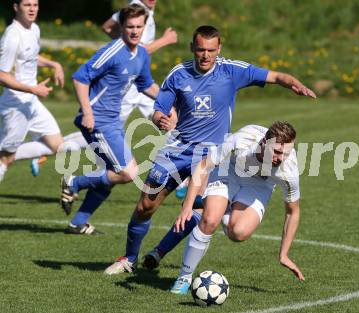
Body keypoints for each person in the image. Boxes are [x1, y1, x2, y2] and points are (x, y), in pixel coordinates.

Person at [104, 25, 315, 275]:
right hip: (178, 150)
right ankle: (130, 258)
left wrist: (294, 84)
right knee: (145, 206)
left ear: (219, 49)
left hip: (212, 155)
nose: (206, 55)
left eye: (211, 50)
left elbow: (275, 76)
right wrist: (160, 119)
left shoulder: (231, 71)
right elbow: (159, 108)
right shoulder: (179, 74)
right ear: (192, 48)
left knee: (202, 212)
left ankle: (162, 254)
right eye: (201, 50)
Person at [59, 4, 160, 234]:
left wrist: (170, 100)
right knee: (127, 172)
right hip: (98, 120)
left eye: (139, 27)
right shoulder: (113, 51)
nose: (135, 31)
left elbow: (146, 85)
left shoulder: (141, 54)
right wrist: (87, 112)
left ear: (145, 27)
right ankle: (73, 182)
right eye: (130, 27)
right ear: (122, 27)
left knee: (111, 174)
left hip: (113, 120)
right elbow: (80, 78)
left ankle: (78, 222)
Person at [170, 121, 305, 294]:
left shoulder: (288, 171)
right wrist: (187, 206)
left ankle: (221, 207)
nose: (281, 158)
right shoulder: (240, 141)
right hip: (230, 170)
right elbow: (203, 166)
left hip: (260, 184)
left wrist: (284, 254)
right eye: (277, 152)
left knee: (238, 233)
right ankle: (184, 277)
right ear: (264, 142)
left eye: (286, 153)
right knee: (210, 220)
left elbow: (292, 212)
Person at [0, 0, 67, 183]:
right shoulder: (12, 36)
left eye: (35, 5)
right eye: (27, 5)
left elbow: (31, 56)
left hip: (31, 102)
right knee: (5, 159)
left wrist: (54, 63)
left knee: (57, 145)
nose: (32, 9)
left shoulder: (34, 29)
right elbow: (2, 76)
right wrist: (32, 88)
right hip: (15, 105)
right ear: (16, 7)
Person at [102, 0, 178, 123]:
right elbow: (138, 51)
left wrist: (123, 44)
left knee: (169, 117)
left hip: (141, 81)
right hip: (128, 84)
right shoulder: (138, 14)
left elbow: (106, 27)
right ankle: (67, 143)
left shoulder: (133, 8)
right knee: (106, 130)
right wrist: (166, 40)